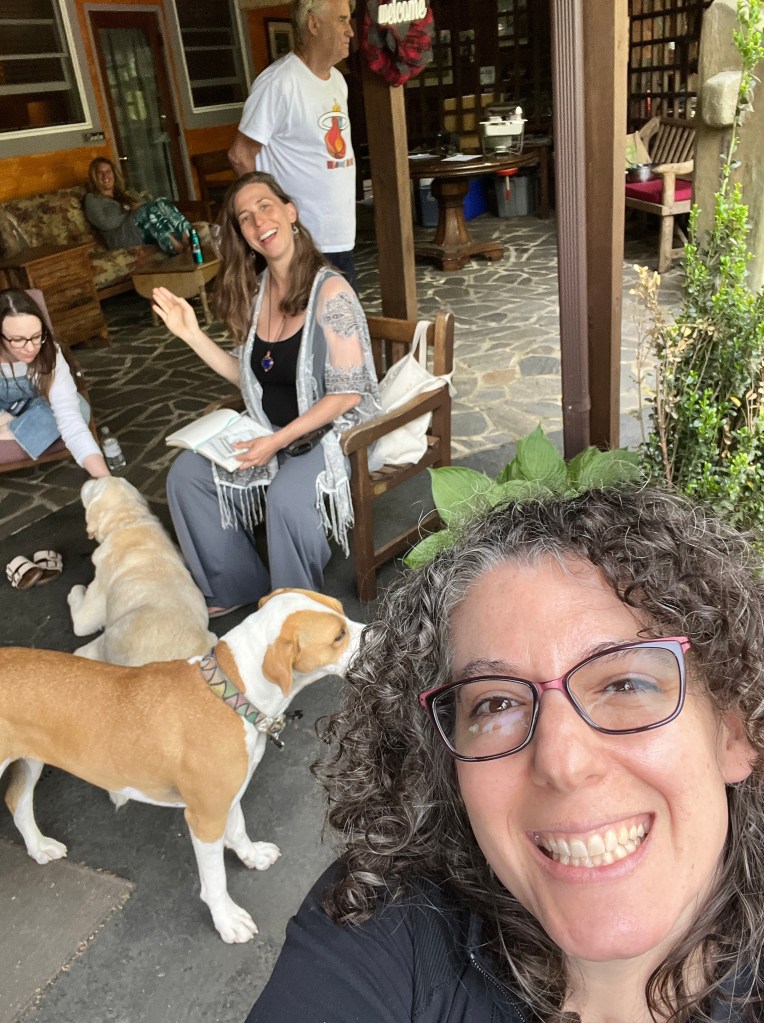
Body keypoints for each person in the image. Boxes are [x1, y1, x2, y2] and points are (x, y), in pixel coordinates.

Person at [246, 486, 764, 1023]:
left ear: (734, 730)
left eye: (625, 685)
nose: (562, 764)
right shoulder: (381, 919)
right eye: (496, 704)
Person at [152, 171, 379, 619]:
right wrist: (191, 334)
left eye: (265, 207)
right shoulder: (258, 293)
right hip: (268, 429)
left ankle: (294, 608)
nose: (258, 222)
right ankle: (237, 584)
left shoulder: (332, 291)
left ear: (290, 212)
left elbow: (348, 395)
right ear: (243, 236)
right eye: (245, 218)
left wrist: (277, 441)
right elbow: (249, 379)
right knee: (187, 476)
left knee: (285, 498)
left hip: (330, 435)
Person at [228, 0, 358, 289]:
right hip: (299, 243)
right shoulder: (280, 82)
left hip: (339, 236)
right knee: (305, 317)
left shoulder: (338, 81)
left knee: (342, 315)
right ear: (313, 24)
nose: (350, 31)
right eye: (341, 20)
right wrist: (269, 221)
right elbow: (240, 155)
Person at [0, 289, 108, 477]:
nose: (30, 348)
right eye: (18, 340)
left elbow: (70, 420)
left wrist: (105, 478)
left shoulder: (50, 352)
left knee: (79, 409)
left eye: (36, 336)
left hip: (36, 405)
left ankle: (9, 432)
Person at [84, 157, 192, 256]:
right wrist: (129, 212)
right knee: (144, 211)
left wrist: (138, 208)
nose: (105, 176)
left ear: (114, 174)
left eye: (108, 171)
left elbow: (145, 206)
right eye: (100, 173)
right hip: (122, 237)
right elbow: (105, 223)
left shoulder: (126, 192)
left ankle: (187, 239)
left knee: (161, 201)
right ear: (94, 177)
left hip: (141, 227)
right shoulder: (92, 199)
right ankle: (176, 248)